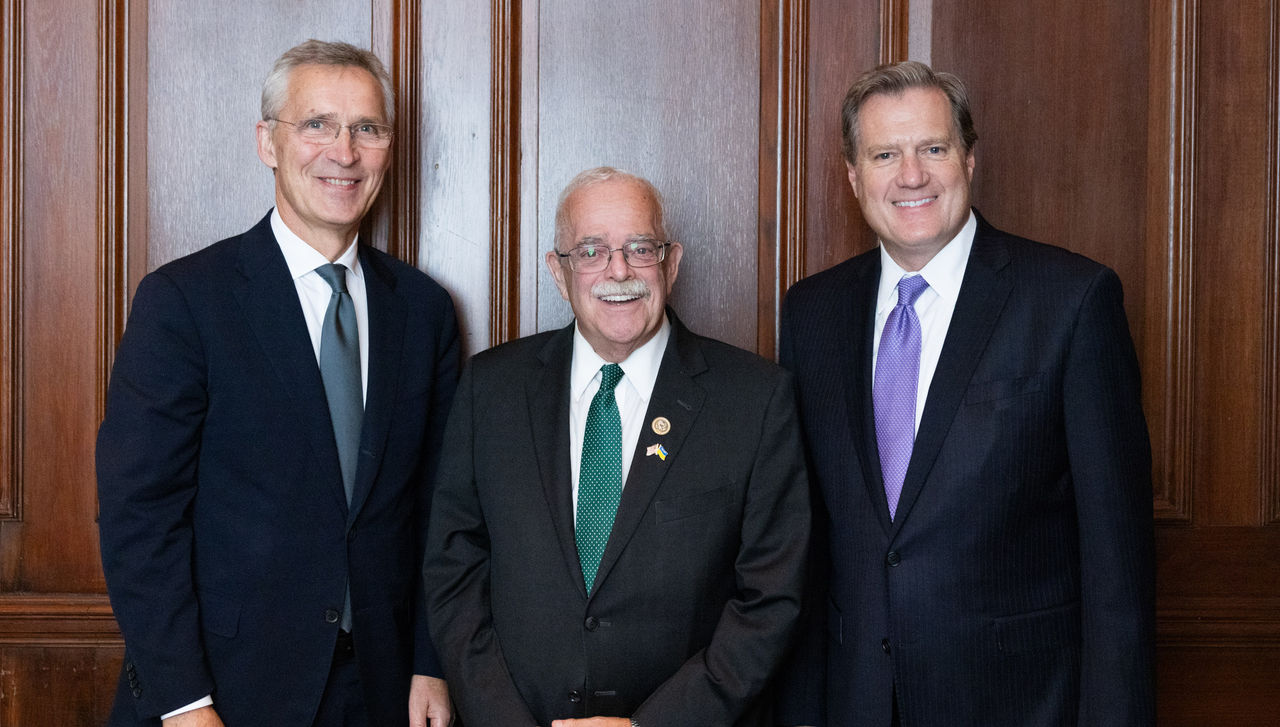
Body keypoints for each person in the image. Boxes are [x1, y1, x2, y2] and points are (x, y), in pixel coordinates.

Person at [776, 61, 1155, 726]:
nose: (911, 175)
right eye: (885, 154)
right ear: (853, 175)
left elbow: (1117, 563)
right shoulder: (812, 313)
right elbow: (805, 546)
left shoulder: (1072, 301)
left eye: (933, 148)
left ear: (969, 159)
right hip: (856, 700)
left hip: (1018, 703)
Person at [96, 40, 457, 727]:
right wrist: (184, 701)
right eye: (317, 124)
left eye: (368, 129)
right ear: (268, 142)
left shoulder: (424, 311)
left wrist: (430, 661)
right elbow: (138, 516)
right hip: (223, 695)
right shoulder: (185, 302)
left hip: (385, 693)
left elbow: (441, 511)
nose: (344, 152)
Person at [424, 166, 809, 727]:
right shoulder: (491, 388)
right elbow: (454, 569)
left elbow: (770, 599)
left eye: (640, 248)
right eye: (591, 251)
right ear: (559, 272)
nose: (619, 270)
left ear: (671, 264)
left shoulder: (755, 399)